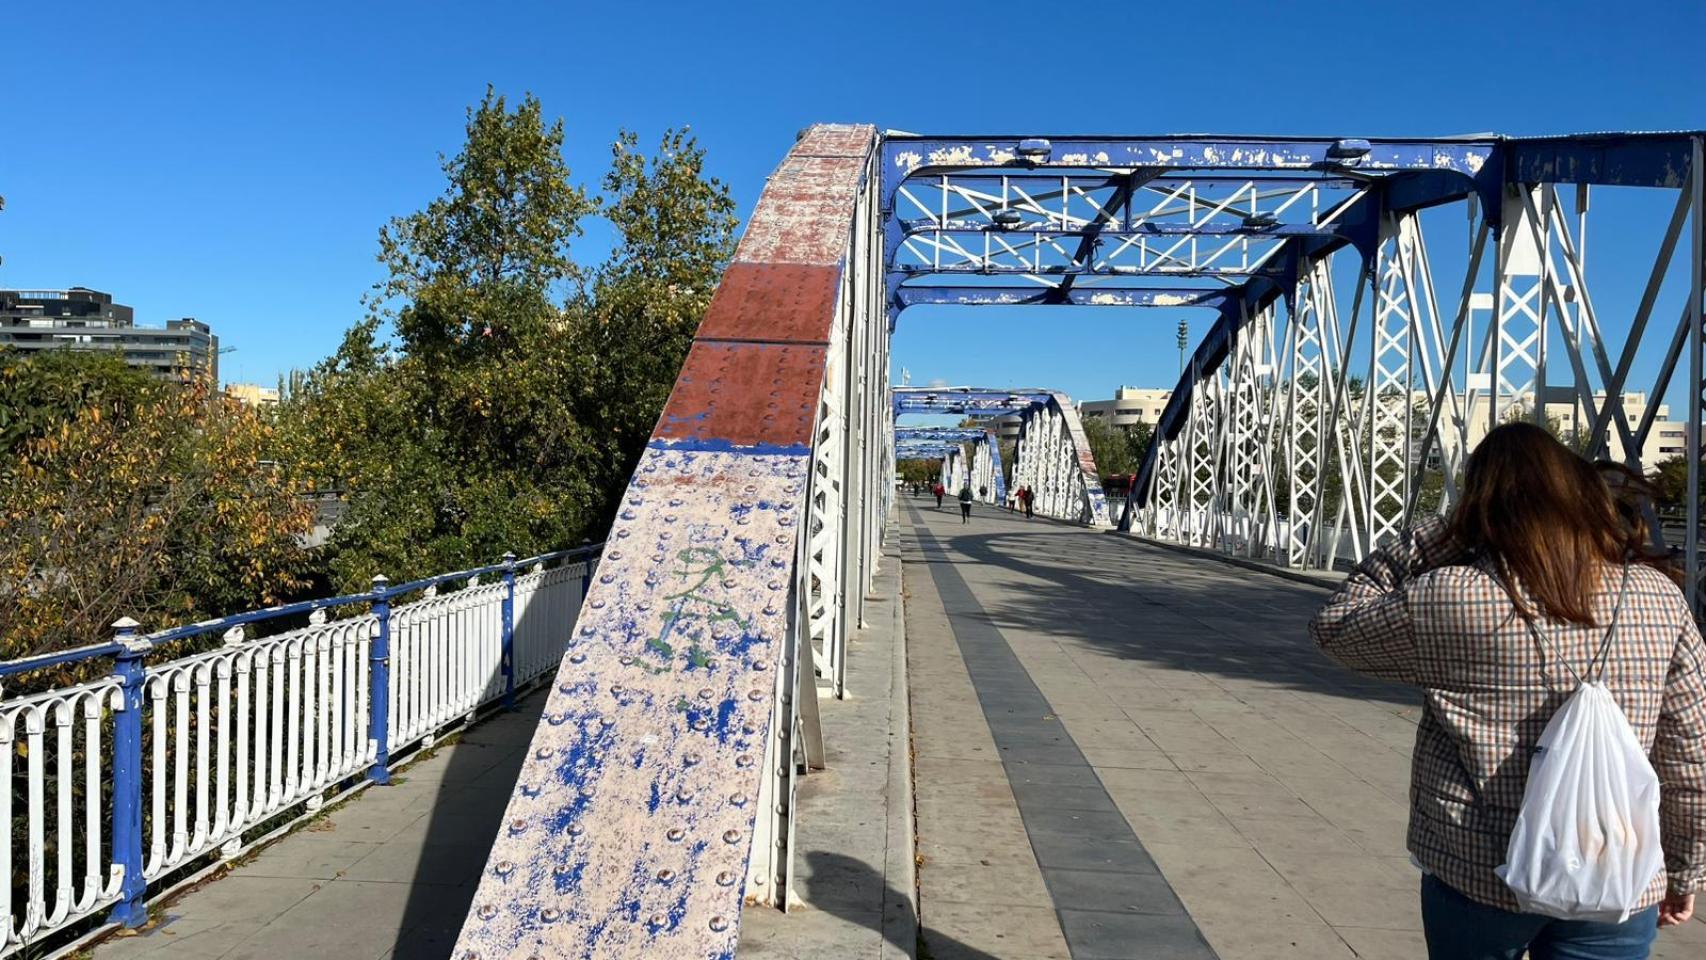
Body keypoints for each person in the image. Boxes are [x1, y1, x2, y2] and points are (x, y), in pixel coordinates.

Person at [1308, 423, 1704, 960]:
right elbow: (1690, 752)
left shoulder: (1453, 598)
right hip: (1617, 872)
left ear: (1480, 504)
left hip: (1479, 873)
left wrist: (1445, 530)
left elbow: (1335, 626)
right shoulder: (1657, 597)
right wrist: (1685, 867)